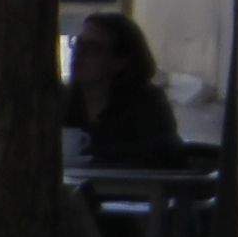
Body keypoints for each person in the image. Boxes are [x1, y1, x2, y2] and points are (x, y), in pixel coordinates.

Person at [67, 11, 189, 167]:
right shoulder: (58, 101)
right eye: (78, 43)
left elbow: (163, 159)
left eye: (93, 48)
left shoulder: (147, 106)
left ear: (120, 62)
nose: (79, 53)